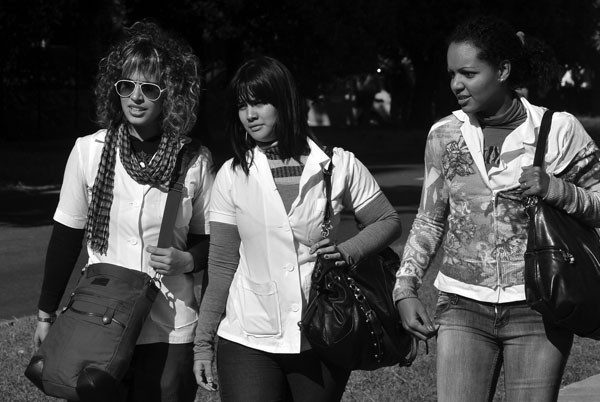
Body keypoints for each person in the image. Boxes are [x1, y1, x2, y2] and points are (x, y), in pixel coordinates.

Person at [394, 15, 600, 402]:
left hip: (539, 306)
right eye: (453, 73)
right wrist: (405, 287)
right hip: (460, 304)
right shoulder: (444, 135)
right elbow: (428, 218)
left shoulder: (558, 130)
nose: (457, 84)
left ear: (503, 69)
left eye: (469, 73)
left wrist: (556, 189)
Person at [193, 56, 402, 402]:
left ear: (284, 101)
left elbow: (388, 221)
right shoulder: (231, 175)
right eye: (243, 105)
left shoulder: (338, 164)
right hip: (248, 337)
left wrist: (348, 251)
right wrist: (203, 343)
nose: (250, 114)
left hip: (323, 331)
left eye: (259, 102)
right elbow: (222, 263)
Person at [32, 21, 214, 402]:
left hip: (169, 324)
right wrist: (46, 315)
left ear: (171, 95)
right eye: (126, 86)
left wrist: (187, 259)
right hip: (99, 319)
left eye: (149, 88)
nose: (135, 97)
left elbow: (211, 242)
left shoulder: (194, 159)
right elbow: (66, 236)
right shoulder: (89, 151)